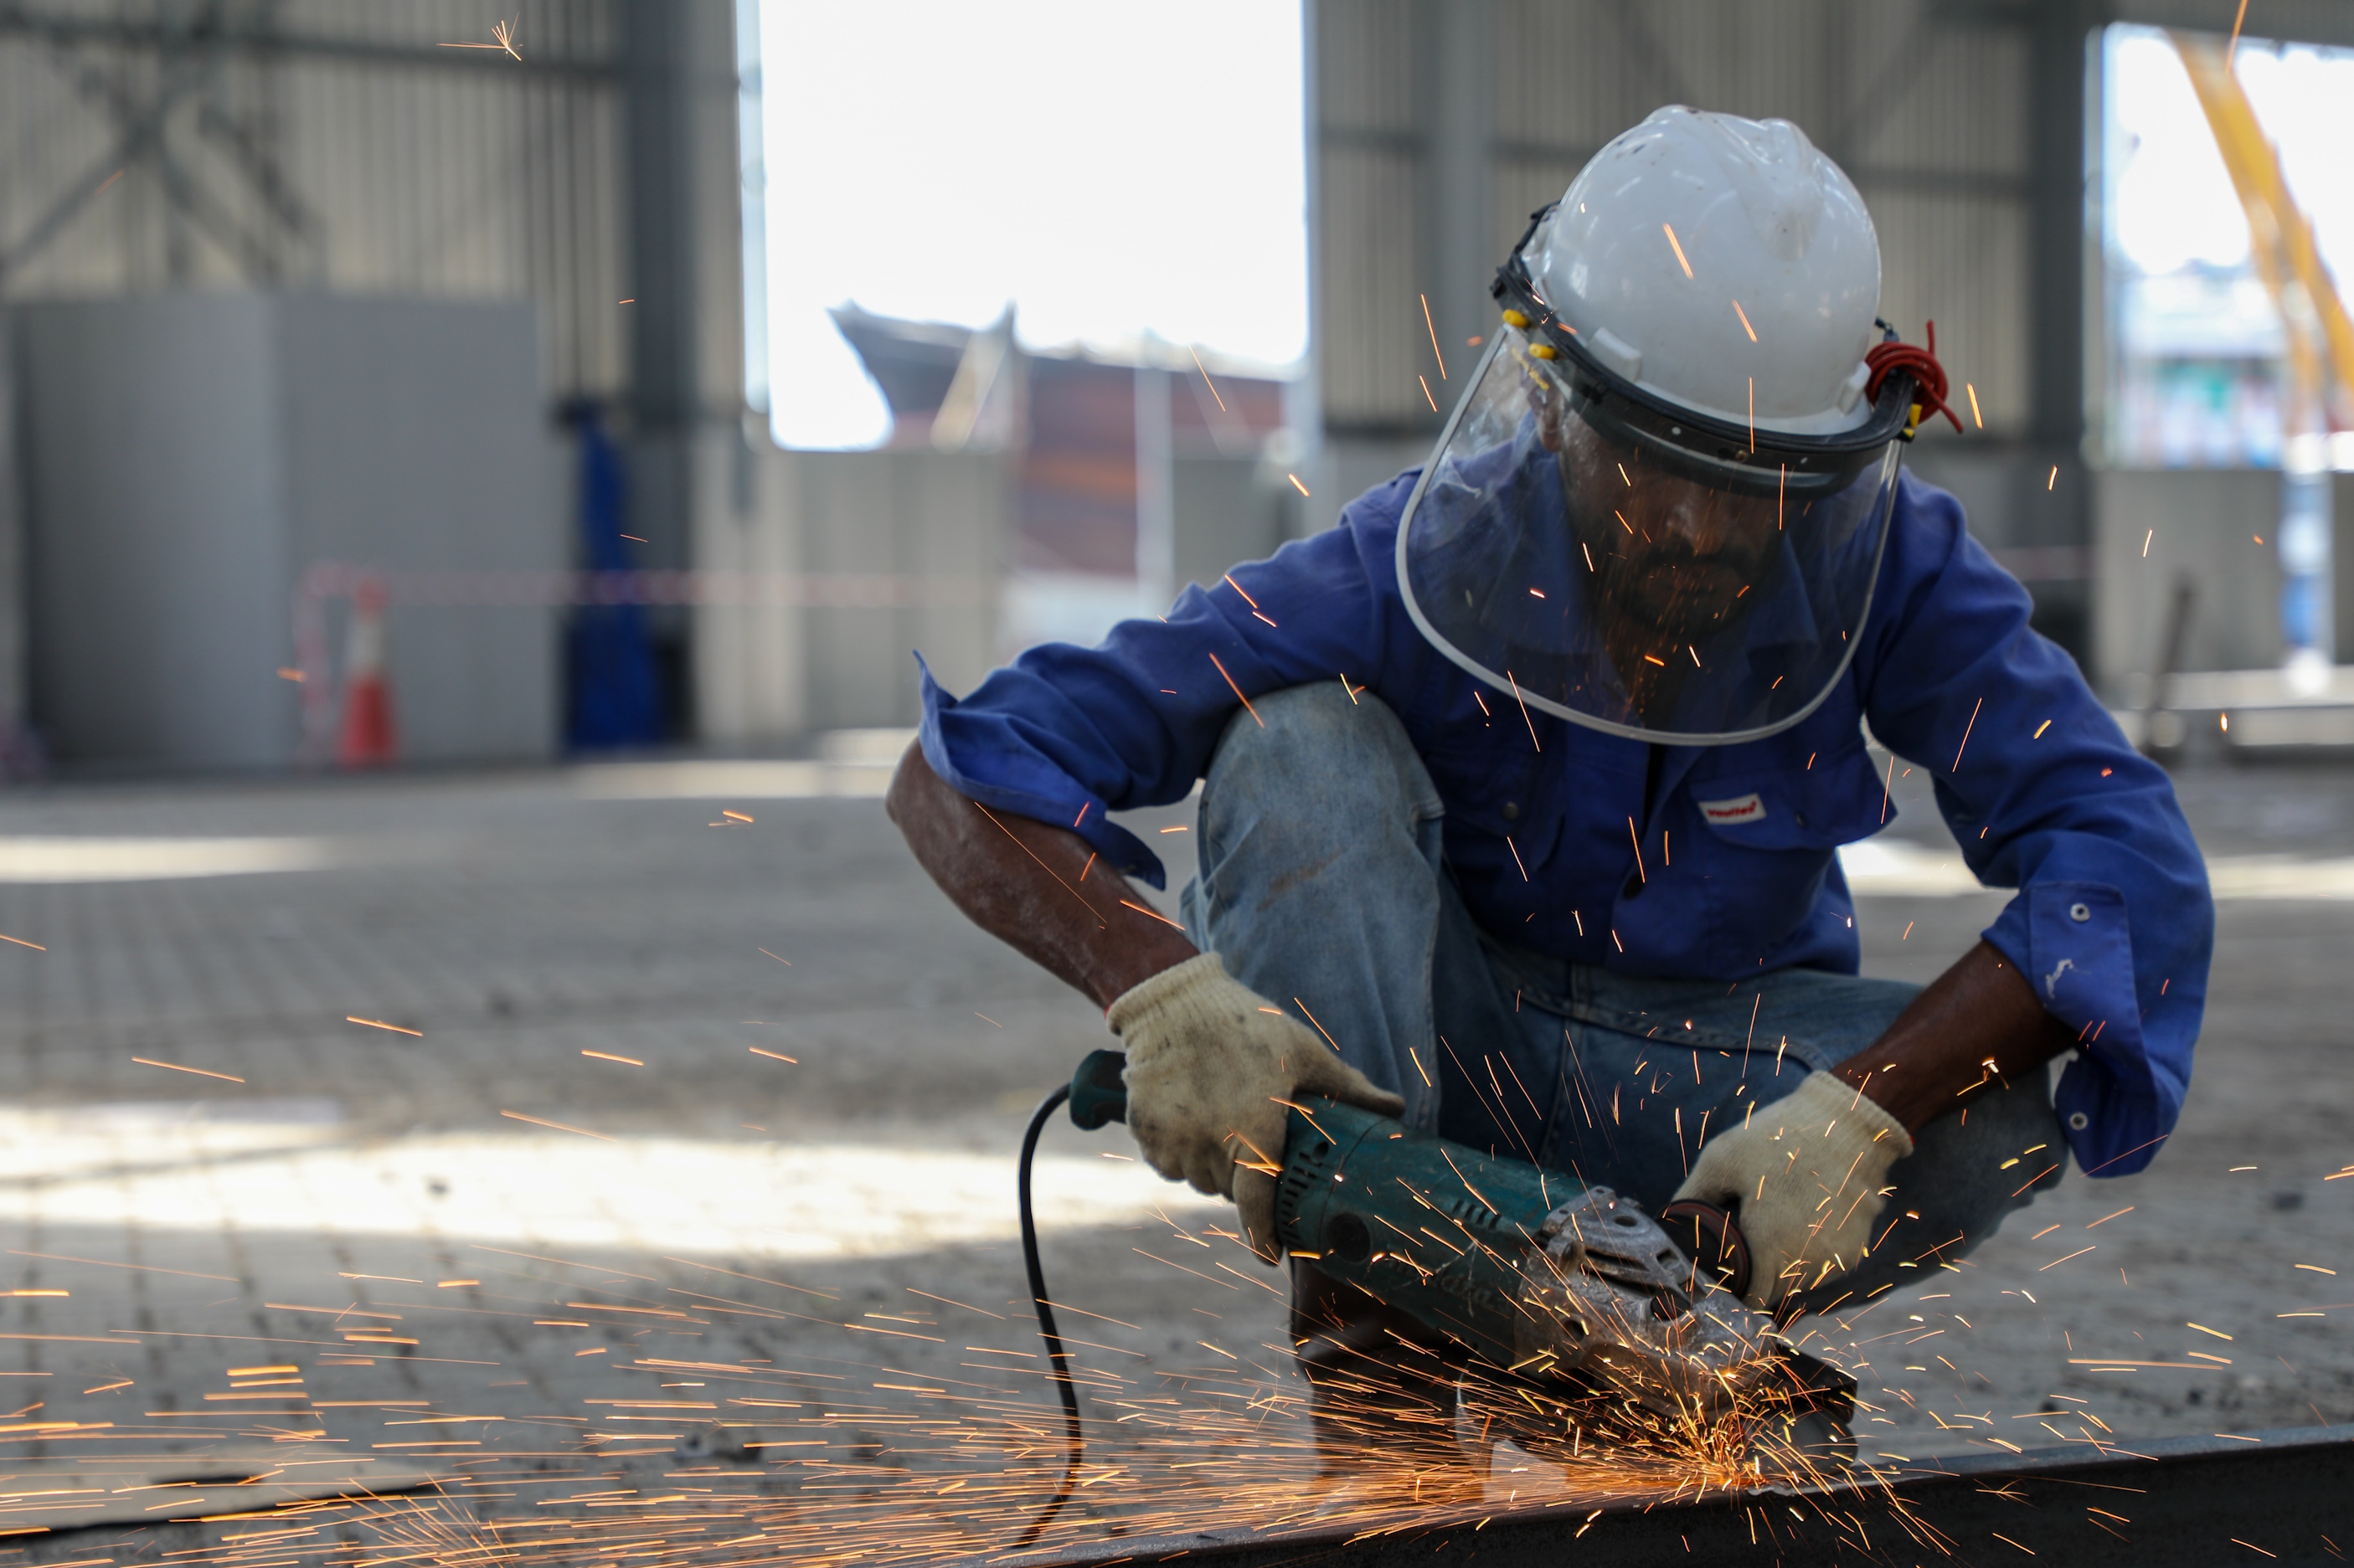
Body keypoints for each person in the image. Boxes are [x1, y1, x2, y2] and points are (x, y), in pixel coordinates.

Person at [885, 106, 2212, 1465]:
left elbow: (2127, 853)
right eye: (1654, 466)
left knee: (1987, 1107)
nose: (1698, 529)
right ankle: (1390, 1408)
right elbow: (962, 769)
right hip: (1432, 1070)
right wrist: (1154, 985)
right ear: (1556, 395)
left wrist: (1868, 1103)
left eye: (1751, 481)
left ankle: (1635, 1345)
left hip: (1695, 1102)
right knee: (1295, 750)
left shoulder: (1897, 569)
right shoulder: (1404, 562)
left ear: (1832, 457)